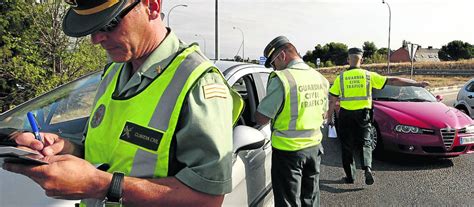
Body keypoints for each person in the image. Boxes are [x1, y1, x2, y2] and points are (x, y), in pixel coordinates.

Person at [2, 0, 243, 206]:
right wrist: (64, 146)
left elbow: (208, 199)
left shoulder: (199, 83)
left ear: (152, 5)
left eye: (109, 24)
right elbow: (107, 151)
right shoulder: (114, 73)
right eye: (92, 28)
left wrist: (101, 186)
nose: (96, 39)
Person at [327, 47, 429, 185]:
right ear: (361, 60)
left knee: (347, 146)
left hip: (346, 116)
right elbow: (393, 80)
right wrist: (417, 84)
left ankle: (350, 177)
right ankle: (367, 168)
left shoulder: (341, 78)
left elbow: (332, 100)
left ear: (348, 59)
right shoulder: (369, 75)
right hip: (363, 115)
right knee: (366, 142)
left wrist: (329, 120)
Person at [255, 36, 329, 207]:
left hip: (289, 152)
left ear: (281, 55)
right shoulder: (320, 78)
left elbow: (262, 117)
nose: (274, 67)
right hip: (314, 148)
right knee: (310, 198)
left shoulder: (283, 79)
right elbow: (324, 113)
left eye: (273, 63)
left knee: (288, 201)